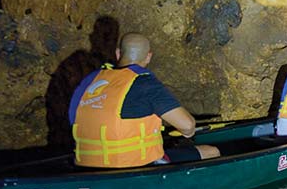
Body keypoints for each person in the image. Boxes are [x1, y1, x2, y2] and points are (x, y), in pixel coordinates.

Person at [69, 32, 219, 168]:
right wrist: (188, 133)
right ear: (148, 56)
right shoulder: (145, 84)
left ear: (118, 53)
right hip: (134, 165)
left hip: (85, 164)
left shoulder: (90, 80)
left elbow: (73, 119)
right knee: (212, 152)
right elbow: (187, 124)